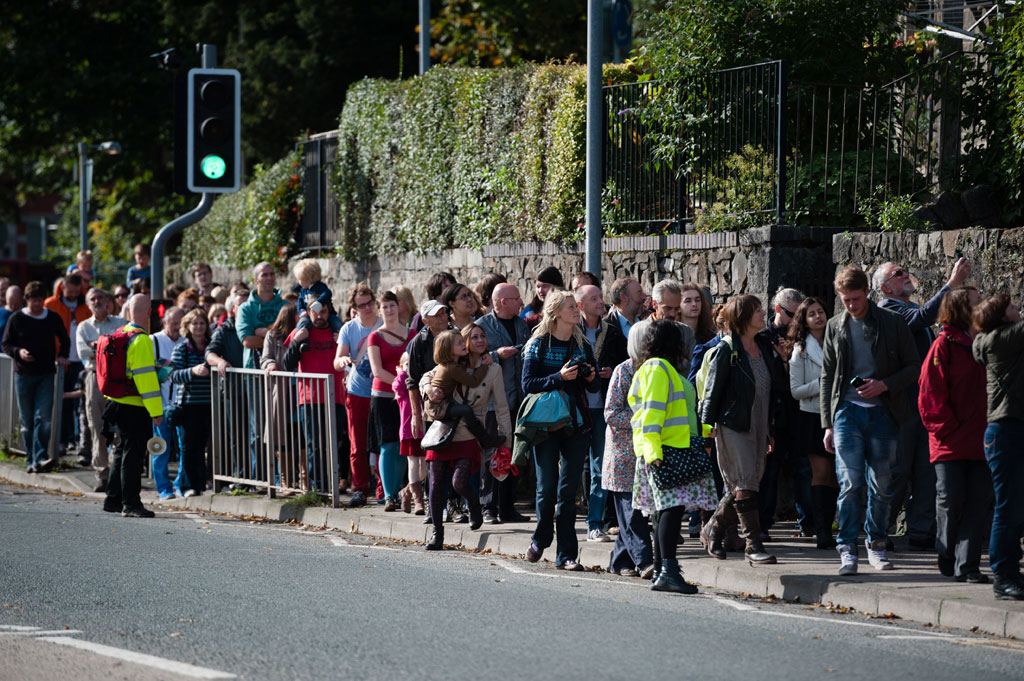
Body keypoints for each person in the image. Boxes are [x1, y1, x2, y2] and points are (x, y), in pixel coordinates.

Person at [821, 266, 919, 576]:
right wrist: (827, 423)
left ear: (867, 292)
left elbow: (914, 366)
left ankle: (876, 543)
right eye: (845, 300)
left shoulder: (892, 322)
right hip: (847, 412)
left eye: (855, 298)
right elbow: (827, 375)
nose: (851, 305)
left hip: (883, 412)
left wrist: (884, 384)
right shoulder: (835, 326)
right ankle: (847, 547)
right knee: (850, 482)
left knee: (881, 484)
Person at [875, 258, 971, 550]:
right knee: (899, 471)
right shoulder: (888, 309)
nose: (905, 275)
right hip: (902, 405)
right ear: (885, 287)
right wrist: (951, 284)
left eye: (904, 271)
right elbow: (919, 321)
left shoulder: (913, 307)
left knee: (925, 471)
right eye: (897, 273)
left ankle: (920, 531)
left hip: (925, 404)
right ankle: (879, 529)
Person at [630, 320, 716, 593]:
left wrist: (703, 432)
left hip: (669, 447)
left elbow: (680, 413)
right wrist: (653, 451)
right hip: (666, 449)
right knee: (670, 510)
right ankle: (667, 571)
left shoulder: (662, 369)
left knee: (664, 511)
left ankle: (662, 570)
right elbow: (651, 413)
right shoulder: (658, 368)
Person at [521, 290, 599, 571]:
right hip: (546, 424)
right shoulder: (538, 344)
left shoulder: (583, 344)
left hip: (576, 423)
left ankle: (566, 554)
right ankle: (541, 537)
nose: (576, 310)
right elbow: (527, 384)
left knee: (568, 492)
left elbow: (593, 387)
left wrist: (590, 376)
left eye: (576, 306)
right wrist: (558, 377)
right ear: (555, 313)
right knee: (546, 489)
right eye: (570, 307)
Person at [918, 288, 991, 583]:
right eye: (977, 302)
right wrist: (948, 430)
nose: (982, 305)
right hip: (950, 441)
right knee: (950, 500)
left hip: (982, 440)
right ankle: (946, 552)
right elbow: (930, 395)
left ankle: (968, 566)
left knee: (977, 503)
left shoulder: (986, 343)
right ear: (962, 309)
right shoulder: (943, 345)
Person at [700, 294, 779, 566]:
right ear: (743, 316)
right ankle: (753, 545)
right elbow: (711, 393)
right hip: (733, 424)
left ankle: (714, 527)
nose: (762, 314)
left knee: (745, 484)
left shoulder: (764, 346)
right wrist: (706, 430)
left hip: (759, 423)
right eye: (757, 310)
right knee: (744, 483)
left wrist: (769, 428)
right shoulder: (727, 349)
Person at [971, 294, 1024, 601]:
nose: (1018, 309)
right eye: (1013, 307)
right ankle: (1003, 575)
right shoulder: (1001, 339)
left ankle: (1010, 571)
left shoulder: (1002, 338)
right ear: (1003, 317)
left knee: (1016, 506)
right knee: (1007, 507)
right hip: (1006, 432)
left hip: (1011, 430)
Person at [757, 286, 811, 541]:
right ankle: (762, 523)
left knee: (804, 468)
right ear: (778, 310)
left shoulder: (806, 335)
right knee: (770, 471)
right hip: (775, 414)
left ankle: (808, 523)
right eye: (793, 314)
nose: (798, 320)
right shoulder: (763, 337)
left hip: (800, 412)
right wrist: (781, 362)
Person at [102, 294, 163, 518]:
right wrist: (156, 411)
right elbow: (146, 381)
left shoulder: (121, 333)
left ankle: (113, 499)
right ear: (148, 313)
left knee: (121, 451)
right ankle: (131, 503)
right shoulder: (142, 340)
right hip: (134, 406)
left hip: (115, 402)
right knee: (133, 455)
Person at [575, 284, 628, 542]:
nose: (600, 302)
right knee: (571, 469)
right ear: (580, 305)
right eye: (593, 298)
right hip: (575, 408)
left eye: (600, 297)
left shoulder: (613, 332)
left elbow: (625, 364)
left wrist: (610, 371)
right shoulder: (570, 332)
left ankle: (594, 524)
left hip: (604, 410)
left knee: (599, 468)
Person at [602, 322, 655, 579]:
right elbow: (611, 412)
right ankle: (645, 561)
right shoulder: (624, 370)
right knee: (631, 513)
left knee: (631, 513)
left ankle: (619, 562)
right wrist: (641, 419)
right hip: (623, 455)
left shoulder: (657, 370)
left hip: (645, 452)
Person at [476, 283, 531, 523]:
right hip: (493, 402)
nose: (521, 302)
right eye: (516, 298)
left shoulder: (521, 325)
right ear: (501, 302)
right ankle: (488, 507)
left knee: (512, 454)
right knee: (491, 453)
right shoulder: (482, 326)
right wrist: (498, 354)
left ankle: (508, 507)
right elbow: (473, 358)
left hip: (518, 399)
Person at [787, 296, 840, 549]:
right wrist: (822, 383)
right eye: (812, 314)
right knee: (821, 474)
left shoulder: (839, 341)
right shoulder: (800, 350)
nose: (818, 317)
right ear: (804, 321)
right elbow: (795, 390)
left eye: (821, 311)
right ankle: (822, 531)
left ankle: (830, 524)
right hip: (811, 416)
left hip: (838, 413)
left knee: (836, 476)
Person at [2, 281, 70, 473]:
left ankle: (40, 457)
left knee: (44, 418)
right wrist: (19, 352)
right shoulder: (17, 319)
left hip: (46, 373)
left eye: (40, 301)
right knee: (26, 420)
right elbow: (6, 344)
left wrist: (63, 355)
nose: (37, 304)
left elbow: (64, 339)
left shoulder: (52, 318)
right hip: (23, 374)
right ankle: (30, 459)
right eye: (34, 301)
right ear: (27, 300)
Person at [287, 299, 346, 492]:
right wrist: (296, 342)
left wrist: (341, 343)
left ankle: (334, 484)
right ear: (308, 312)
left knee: (336, 442)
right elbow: (286, 363)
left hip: (335, 396)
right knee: (315, 445)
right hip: (310, 398)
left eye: (323, 312)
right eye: (315, 312)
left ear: (329, 312)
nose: (319, 316)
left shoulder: (338, 333)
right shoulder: (301, 333)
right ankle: (319, 488)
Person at [366, 291, 417, 511]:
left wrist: (408, 387)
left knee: (405, 446)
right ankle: (389, 495)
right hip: (384, 396)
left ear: (399, 307)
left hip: (408, 397)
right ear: (379, 311)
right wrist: (401, 383)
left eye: (392, 306)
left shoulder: (412, 333)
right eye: (384, 307)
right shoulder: (375, 337)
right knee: (388, 446)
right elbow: (377, 370)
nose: (389, 310)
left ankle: (402, 490)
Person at [334, 283, 382, 507]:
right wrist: (343, 360)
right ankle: (361, 487)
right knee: (357, 443)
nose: (367, 308)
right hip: (357, 390)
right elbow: (337, 360)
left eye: (369, 303)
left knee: (384, 442)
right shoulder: (348, 329)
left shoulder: (384, 324)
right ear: (354, 306)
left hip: (382, 390)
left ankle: (384, 489)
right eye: (361, 305)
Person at [76, 289, 125, 491]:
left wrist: (99, 345)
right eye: (92, 299)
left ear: (107, 302)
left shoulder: (120, 323)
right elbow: (83, 352)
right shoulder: (83, 327)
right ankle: (102, 473)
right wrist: (109, 346)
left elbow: (124, 347)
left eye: (100, 298)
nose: (97, 302)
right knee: (96, 425)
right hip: (95, 377)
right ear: (88, 304)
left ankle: (115, 469)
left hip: (117, 378)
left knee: (120, 425)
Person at [44, 272, 90, 457]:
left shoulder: (85, 306)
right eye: (70, 291)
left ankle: (79, 442)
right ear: (62, 288)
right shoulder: (51, 305)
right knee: (61, 401)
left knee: (81, 403)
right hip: (60, 361)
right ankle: (61, 441)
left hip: (81, 361)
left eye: (76, 291)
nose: (73, 295)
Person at [169, 309, 213, 497]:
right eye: (195, 323)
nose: (199, 327)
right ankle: (187, 486)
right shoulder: (182, 348)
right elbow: (173, 375)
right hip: (189, 404)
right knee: (189, 447)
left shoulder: (212, 347)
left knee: (205, 445)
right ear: (187, 326)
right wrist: (192, 371)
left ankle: (202, 484)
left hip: (210, 403)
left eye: (202, 323)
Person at [261, 303, 305, 492]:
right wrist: (270, 364)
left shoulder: (304, 335)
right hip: (283, 392)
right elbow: (265, 358)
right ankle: (285, 481)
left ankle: (304, 479)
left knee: (302, 436)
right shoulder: (273, 336)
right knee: (283, 437)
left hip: (302, 391)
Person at [149, 306, 185, 499]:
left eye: (181, 323)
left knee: (183, 447)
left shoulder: (186, 341)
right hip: (160, 403)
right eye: (174, 323)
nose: (178, 327)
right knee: (161, 447)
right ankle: (163, 487)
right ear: (165, 323)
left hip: (181, 403)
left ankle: (180, 484)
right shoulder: (152, 340)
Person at [393, 353, 426, 513]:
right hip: (409, 432)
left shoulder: (423, 382)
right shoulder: (404, 387)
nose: (410, 368)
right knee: (413, 464)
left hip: (425, 430)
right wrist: (403, 372)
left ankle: (406, 491)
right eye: (407, 364)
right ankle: (418, 501)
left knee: (424, 467)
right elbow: (397, 387)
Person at [649, 279, 696, 373]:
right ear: (654, 304)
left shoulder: (686, 333)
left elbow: (692, 369)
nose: (673, 314)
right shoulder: (640, 331)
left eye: (677, 309)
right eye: (667, 308)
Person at [293, 259, 342, 333]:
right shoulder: (303, 290)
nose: (299, 282)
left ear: (307, 279)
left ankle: (340, 339)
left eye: (300, 279)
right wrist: (302, 311)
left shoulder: (320, 286)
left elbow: (327, 293)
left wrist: (319, 302)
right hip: (310, 315)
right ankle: (303, 342)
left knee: (337, 323)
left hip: (327, 315)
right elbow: (300, 302)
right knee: (302, 324)